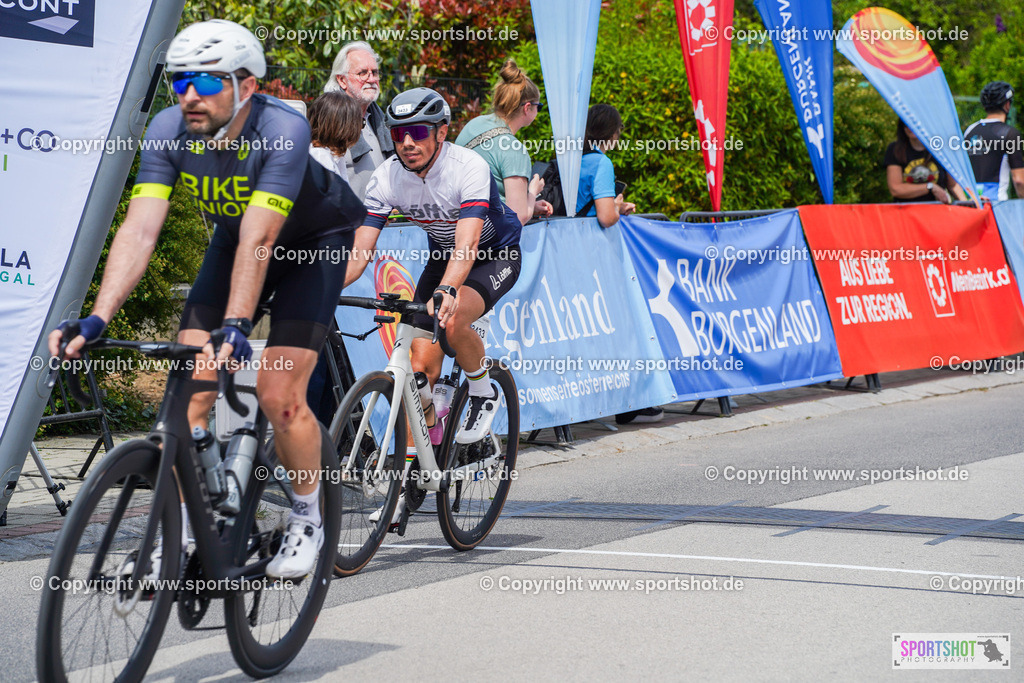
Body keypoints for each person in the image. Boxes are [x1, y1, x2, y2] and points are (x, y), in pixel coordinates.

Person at [48, 20, 365, 579]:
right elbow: (140, 230)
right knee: (184, 401)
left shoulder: (282, 129)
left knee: (278, 391)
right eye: (181, 80)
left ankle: (307, 518)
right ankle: (178, 537)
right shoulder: (169, 129)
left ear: (247, 86)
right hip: (234, 239)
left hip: (312, 244)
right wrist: (97, 318)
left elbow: (262, 238)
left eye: (208, 81)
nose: (190, 94)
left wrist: (238, 325)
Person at [345, 88, 523, 524]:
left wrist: (447, 290)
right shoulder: (387, 177)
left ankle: (482, 390)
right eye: (399, 134)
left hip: (493, 254)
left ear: (441, 132)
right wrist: (321, 285)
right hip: (443, 258)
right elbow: (360, 251)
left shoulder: (468, 166)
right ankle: (415, 465)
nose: (408, 142)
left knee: (453, 316)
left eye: (419, 132)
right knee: (418, 373)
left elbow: (468, 244)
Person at [455, 58, 553, 225]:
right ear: (527, 108)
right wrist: (532, 192)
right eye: (539, 106)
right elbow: (517, 218)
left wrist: (530, 205)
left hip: (455, 224)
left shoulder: (473, 125)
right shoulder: (514, 150)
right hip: (486, 233)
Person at [323, 41, 395, 199]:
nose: (371, 79)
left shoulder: (379, 121)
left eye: (374, 72)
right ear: (342, 80)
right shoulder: (329, 121)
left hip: (383, 213)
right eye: (363, 73)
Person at [576, 103, 637, 229]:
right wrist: (616, 206)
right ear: (613, 133)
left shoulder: (575, 157)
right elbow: (607, 218)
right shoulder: (602, 163)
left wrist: (615, 207)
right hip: (587, 235)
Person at [963, 81, 1024, 201]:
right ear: (1007, 105)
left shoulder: (969, 131)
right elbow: (1019, 180)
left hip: (971, 201)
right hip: (996, 203)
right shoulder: (1009, 133)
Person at [884, 120, 967, 203]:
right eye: (906, 124)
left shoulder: (941, 149)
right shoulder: (895, 149)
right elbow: (896, 189)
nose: (910, 127)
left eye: (915, 123)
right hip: (907, 209)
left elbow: (952, 185)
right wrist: (930, 187)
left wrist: (967, 203)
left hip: (937, 208)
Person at [307, 90, 365, 181]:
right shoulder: (320, 157)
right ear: (345, 126)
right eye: (360, 123)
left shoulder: (334, 156)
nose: (360, 128)